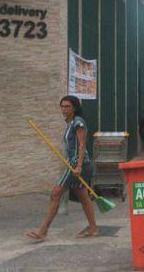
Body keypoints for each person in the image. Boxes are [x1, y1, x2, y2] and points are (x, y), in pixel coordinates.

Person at [26, 96, 98, 241]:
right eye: (62, 106)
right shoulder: (71, 123)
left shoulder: (78, 123)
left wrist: (77, 166)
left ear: (75, 108)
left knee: (55, 194)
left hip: (78, 165)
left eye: (67, 107)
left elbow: (82, 145)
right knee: (83, 196)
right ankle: (93, 229)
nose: (64, 109)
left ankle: (43, 231)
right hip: (77, 164)